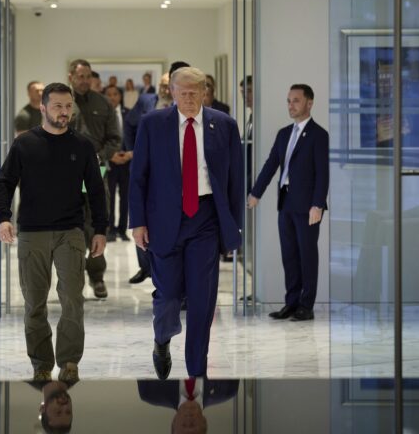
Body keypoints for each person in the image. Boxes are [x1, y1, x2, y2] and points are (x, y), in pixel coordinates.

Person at [130, 66, 244, 379]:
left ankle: (197, 371)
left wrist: (233, 226)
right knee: (167, 296)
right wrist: (137, 222)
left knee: (201, 300)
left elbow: (235, 181)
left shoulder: (224, 125)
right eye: (184, 93)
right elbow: (138, 175)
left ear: (205, 92)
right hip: (165, 220)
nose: (190, 98)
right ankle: (162, 340)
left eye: (196, 92)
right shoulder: (153, 124)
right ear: (173, 93)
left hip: (205, 219)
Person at [0, 82, 107, 383]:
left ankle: (69, 361)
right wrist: (2, 218)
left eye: (68, 106)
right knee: (35, 302)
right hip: (32, 233)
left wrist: (100, 230)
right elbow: (4, 182)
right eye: (57, 106)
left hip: (70, 231)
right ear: (42, 108)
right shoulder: (25, 144)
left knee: (72, 298)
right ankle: (41, 362)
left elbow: (96, 191)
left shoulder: (82, 146)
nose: (64, 112)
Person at [247, 83, 329, 322]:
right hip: (286, 204)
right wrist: (256, 193)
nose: (291, 105)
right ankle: (291, 303)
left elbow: (322, 174)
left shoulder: (318, 135)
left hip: (307, 207)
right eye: (289, 100)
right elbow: (271, 165)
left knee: (307, 256)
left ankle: (306, 305)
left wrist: (318, 204)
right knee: (290, 256)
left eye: (296, 100)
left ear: (309, 103)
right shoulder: (284, 133)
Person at [123, 62, 188, 285]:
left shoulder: (185, 107)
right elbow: (129, 124)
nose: (163, 87)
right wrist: (132, 150)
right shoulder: (146, 101)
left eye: (166, 84)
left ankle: (168, 275)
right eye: (162, 84)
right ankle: (146, 266)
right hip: (145, 167)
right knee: (140, 217)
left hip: (173, 174)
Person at [68, 59, 123, 299]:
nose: (84, 80)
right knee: (71, 227)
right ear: (70, 76)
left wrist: (99, 158)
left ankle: (97, 276)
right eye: (80, 76)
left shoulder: (103, 103)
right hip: (67, 176)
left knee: (97, 223)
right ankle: (74, 279)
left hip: (97, 172)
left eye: (88, 76)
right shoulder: (62, 102)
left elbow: (114, 138)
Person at [138, 378, 239, 434]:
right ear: (204, 423)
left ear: (174, 422)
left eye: (184, 425)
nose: (189, 419)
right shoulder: (227, 390)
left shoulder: (150, 391)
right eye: (193, 425)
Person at [104, 84, 131, 242]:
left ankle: (122, 230)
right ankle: (110, 229)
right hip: (109, 162)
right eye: (109, 94)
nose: (112, 97)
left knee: (125, 197)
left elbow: (134, 135)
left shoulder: (129, 114)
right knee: (109, 196)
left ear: (120, 96)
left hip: (127, 161)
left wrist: (130, 154)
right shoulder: (104, 114)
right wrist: (111, 155)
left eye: (115, 94)